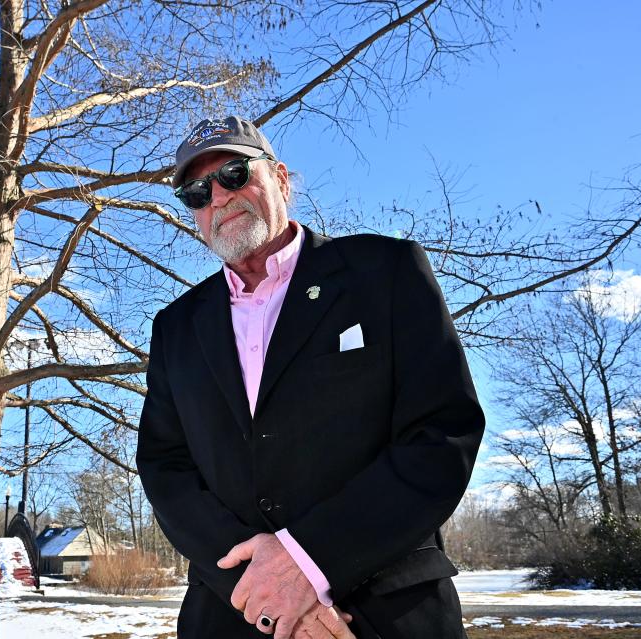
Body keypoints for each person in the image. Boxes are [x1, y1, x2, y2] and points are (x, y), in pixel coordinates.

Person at [136, 116, 485, 639]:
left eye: (234, 173)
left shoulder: (385, 272)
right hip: (228, 617)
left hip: (384, 615)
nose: (218, 197)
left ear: (279, 177)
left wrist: (308, 564)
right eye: (196, 192)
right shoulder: (176, 327)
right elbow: (166, 469)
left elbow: (442, 434)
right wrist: (263, 592)